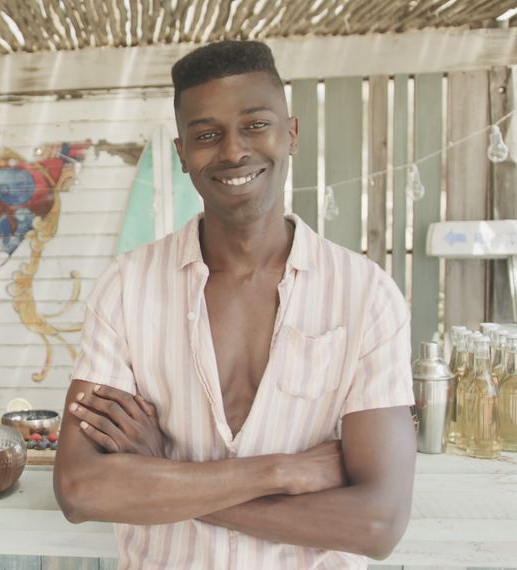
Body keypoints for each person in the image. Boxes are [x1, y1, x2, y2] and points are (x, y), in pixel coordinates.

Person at [53, 40, 415, 569]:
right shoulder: (126, 288)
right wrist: (280, 473)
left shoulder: (365, 294)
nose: (232, 151)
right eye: (206, 135)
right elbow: (82, 490)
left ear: (289, 134)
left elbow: (377, 523)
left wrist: (163, 473)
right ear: (181, 154)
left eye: (255, 125)